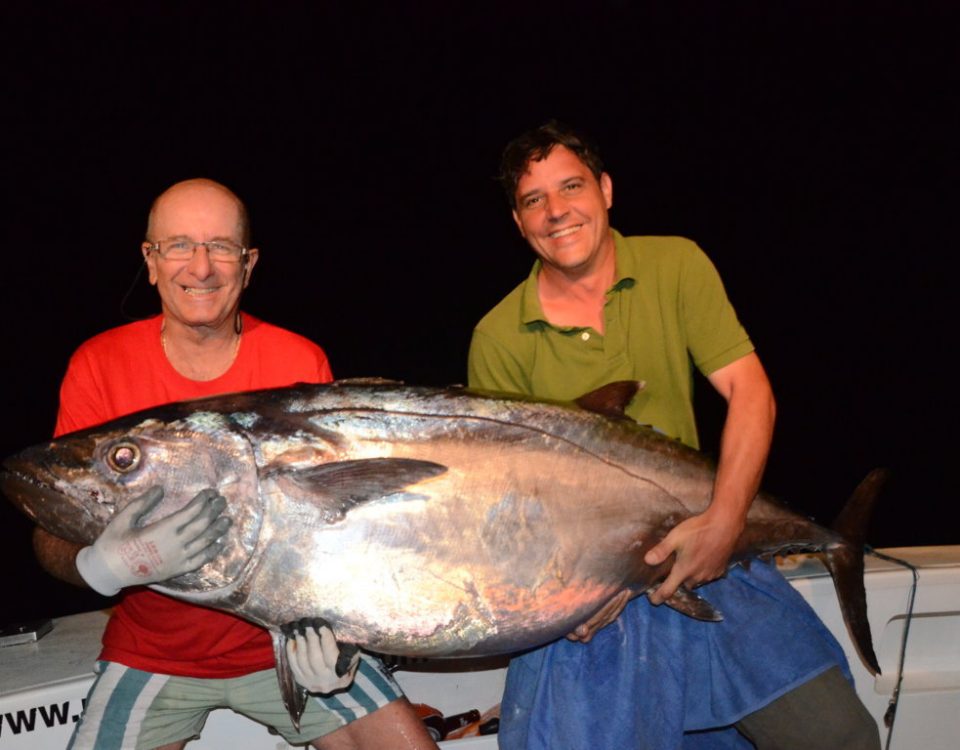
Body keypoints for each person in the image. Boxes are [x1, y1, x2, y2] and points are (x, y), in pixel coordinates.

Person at [467, 122, 881, 750]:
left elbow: (750, 392)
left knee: (838, 735)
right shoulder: (498, 337)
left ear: (605, 190)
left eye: (571, 186)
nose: (556, 212)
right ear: (519, 223)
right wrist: (575, 595)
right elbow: (510, 510)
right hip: (590, 597)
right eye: (533, 200)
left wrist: (723, 523)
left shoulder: (674, 264)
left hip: (705, 552)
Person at [33, 178, 438, 750]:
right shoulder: (100, 364)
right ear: (149, 261)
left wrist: (339, 638)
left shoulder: (298, 360)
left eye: (221, 247)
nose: (201, 267)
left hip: (285, 644)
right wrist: (102, 566)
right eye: (178, 245)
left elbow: (336, 529)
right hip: (156, 652)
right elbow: (51, 526)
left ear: (248, 265)